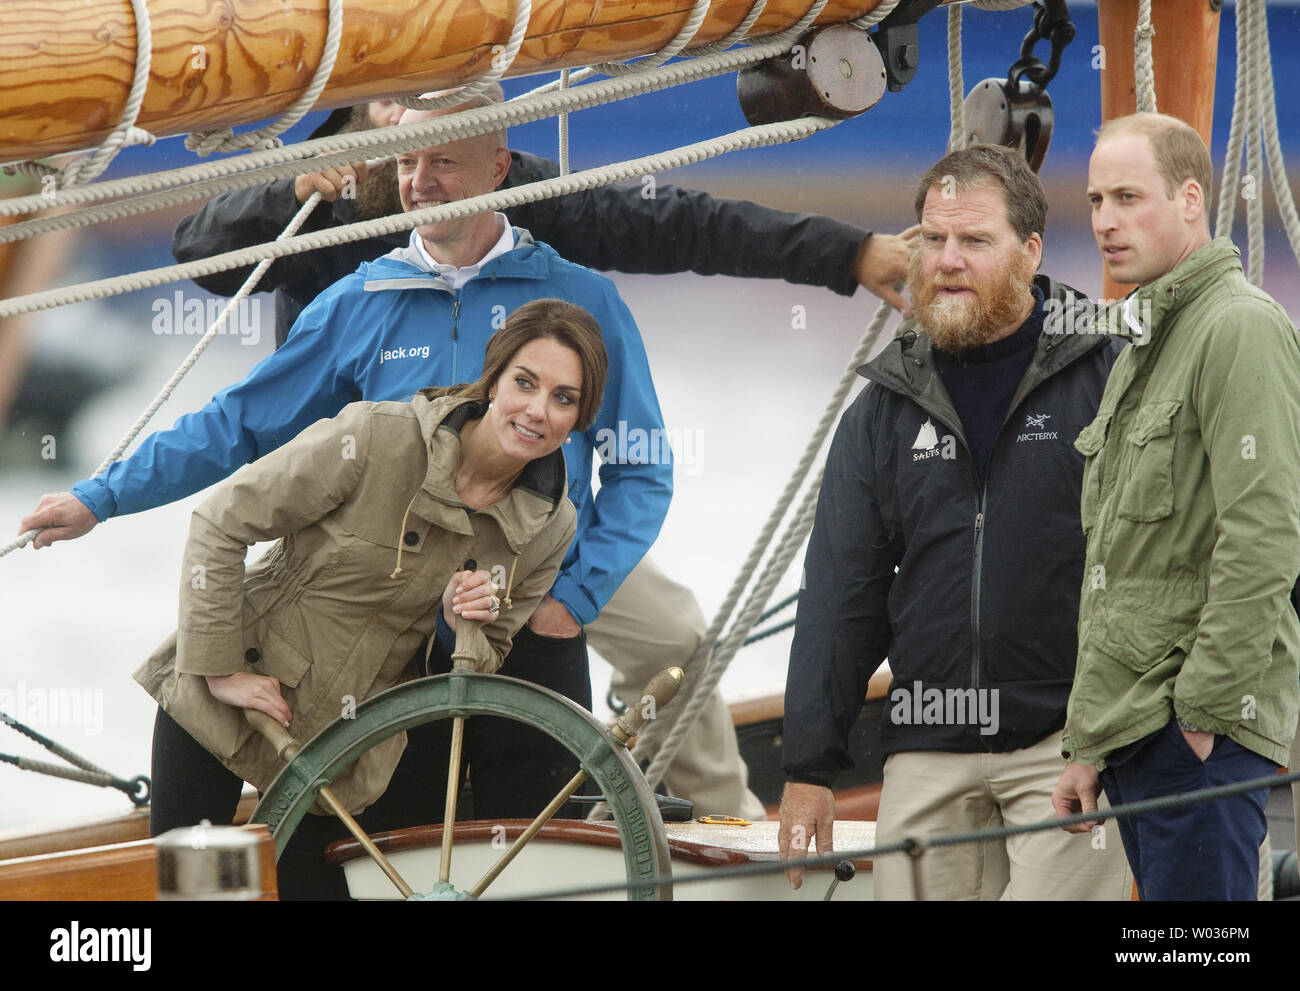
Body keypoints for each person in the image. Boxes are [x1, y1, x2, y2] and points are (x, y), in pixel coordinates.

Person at [21, 93, 679, 818]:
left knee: (536, 856)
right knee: (390, 859)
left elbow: (640, 465)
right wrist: (102, 497)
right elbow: (238, 424)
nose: (420, 182)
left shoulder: (580, 302)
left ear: (497, 169)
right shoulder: (358, 302)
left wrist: (569, 602)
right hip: (388, 653)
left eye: (445, 163)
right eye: (407, 162)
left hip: (524, 626)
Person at [140, 298, 601, 898]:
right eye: (525, 382)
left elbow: (483, 658)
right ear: (493, 380)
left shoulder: (553, 525)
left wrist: (452, 624)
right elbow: (219, 522)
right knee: (190, 895)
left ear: (580, 417)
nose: (538, 410)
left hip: (349, 748)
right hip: (226, 698)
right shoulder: (376, 436)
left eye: (564, 398)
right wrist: (219, 666)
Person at [778, 144, 1132, 900]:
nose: (946, 259)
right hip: (925, 741)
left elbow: (1159, 562)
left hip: (1070, 742)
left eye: (974, 241)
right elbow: (842, 592)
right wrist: (809, 768)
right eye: (932, 239)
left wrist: (1125, 726)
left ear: (1030, 250)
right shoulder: (882, 407)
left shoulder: (1112, 375)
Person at [1051, 112, 1300, 901]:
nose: (1104, 222)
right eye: (1095, 200)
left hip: (1194, 734)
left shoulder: (1238, 328)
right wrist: (1091, 743)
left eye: (1129, 196)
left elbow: (1263, 538)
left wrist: (1202, 719)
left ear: (1191, 199)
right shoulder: (1149, 338)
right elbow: (1124, 569)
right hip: (1138, 731)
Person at [171, 98, 918, 349]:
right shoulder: (315, 201)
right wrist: (288, 199)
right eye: (392, 102)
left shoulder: (512, 188)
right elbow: (199, 253)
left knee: (672, 629)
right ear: (352, 114)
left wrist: (848, 253)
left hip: (500, 489)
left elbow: (675, 226)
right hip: (339, 492)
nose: (410, 131)